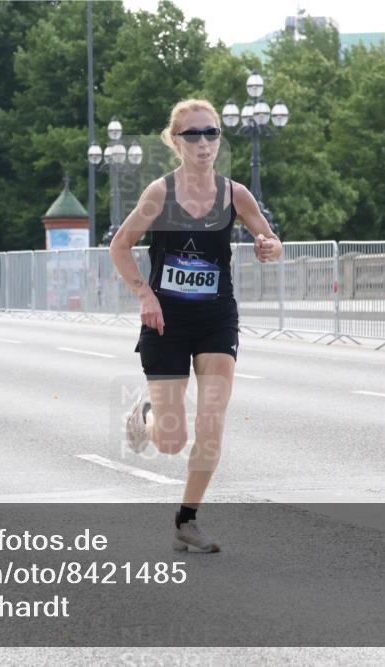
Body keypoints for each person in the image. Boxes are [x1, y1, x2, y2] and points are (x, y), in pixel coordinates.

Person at [109, 99, 282, 553]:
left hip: (215, 318)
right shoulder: (159, 195)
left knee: (211, 423)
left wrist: (269, 247)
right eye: (192, 134)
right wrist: (144, 295)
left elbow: (271, 239)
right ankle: (145, 416)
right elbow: (120, 246)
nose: (203, 142)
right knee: (171, 441)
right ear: (175, 140)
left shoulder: (234, 194)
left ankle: (187, 519)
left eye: (211, 133)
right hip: (165, 320)